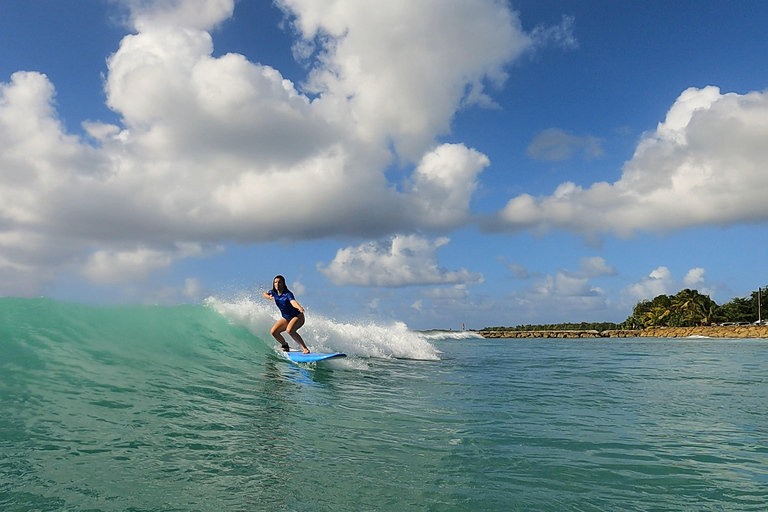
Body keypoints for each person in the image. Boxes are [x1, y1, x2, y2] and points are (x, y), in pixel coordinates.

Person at [263, 275, 310, 354]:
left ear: (283, 284)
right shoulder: (273, 292)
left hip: (297, 317)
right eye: (275, 282)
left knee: (290, 330)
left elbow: (293, 302)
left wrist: (299, 307)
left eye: (279, 282)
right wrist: (268, 297)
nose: (277, 284)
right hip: (287, 318)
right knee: (274, 332)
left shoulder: (287, 294)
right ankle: (285, 345)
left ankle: (305, 348)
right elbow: (264, 293)